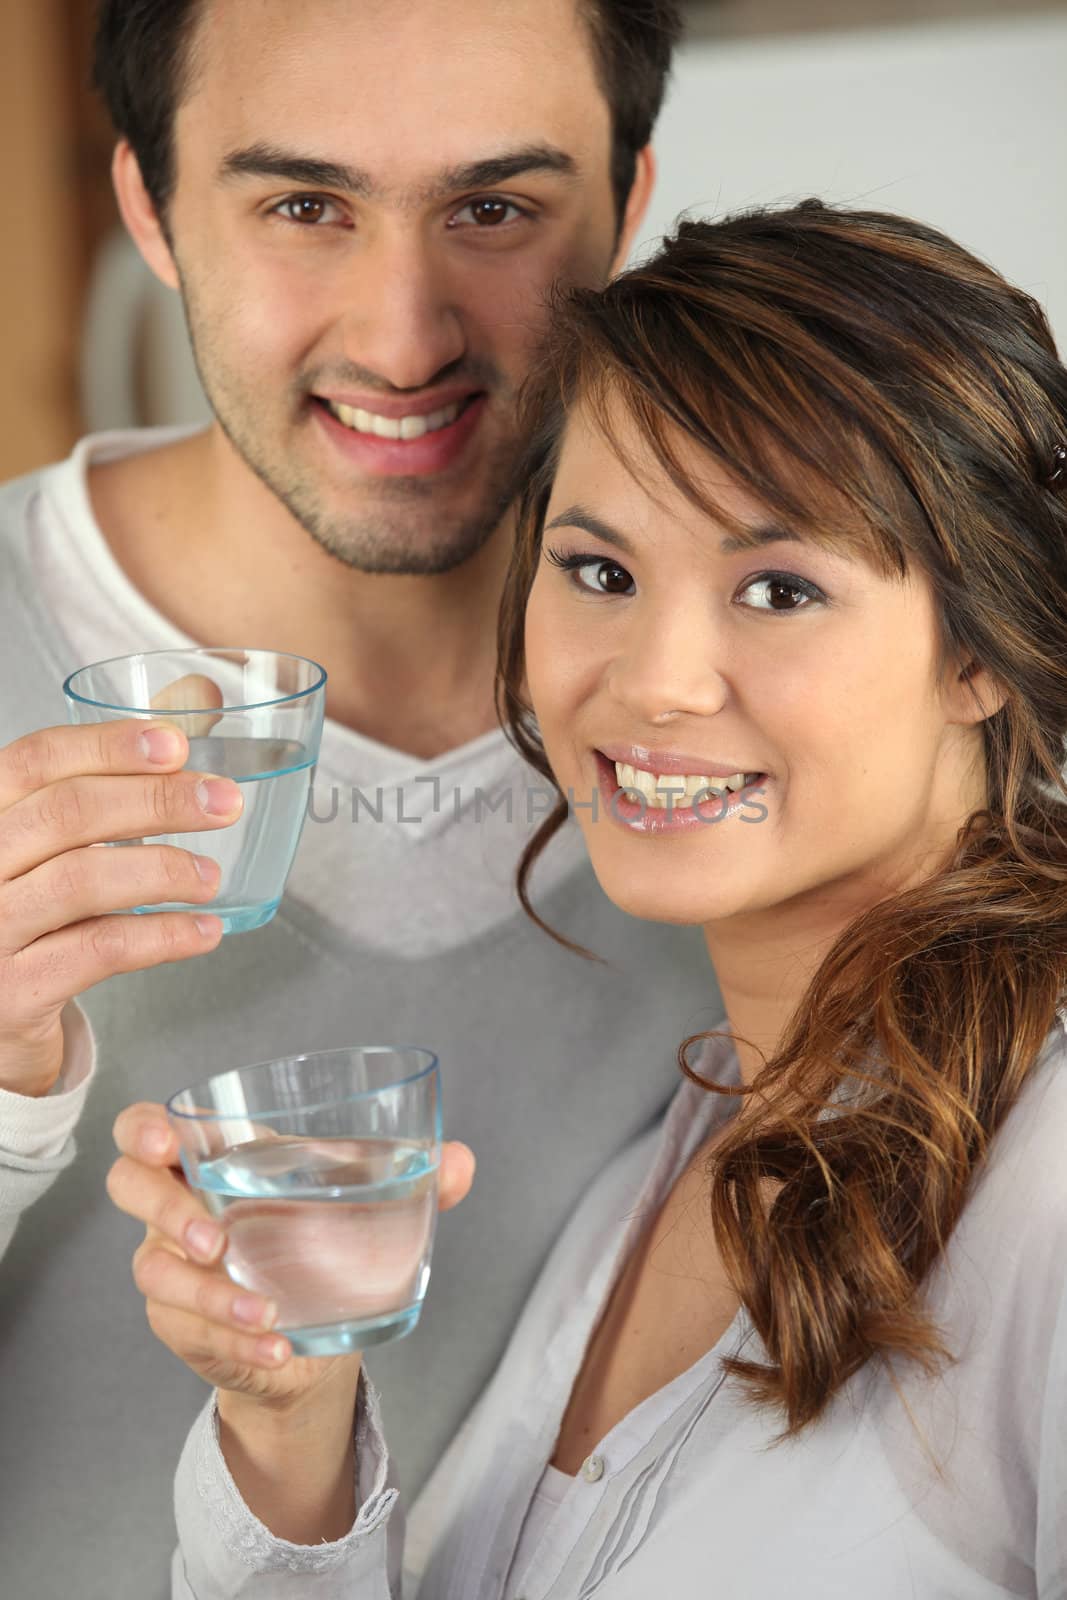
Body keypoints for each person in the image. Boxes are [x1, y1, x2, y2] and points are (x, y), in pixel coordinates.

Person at [116, 199, 1067, 1596]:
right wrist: (291, 1424)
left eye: (780, 588)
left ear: (982, 652)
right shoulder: (675, 1148)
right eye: (600, 570)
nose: (652, 679)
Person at [0, 4, 721, 1595]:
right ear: (149, 207)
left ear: (632, 199)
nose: (406, 339)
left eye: (496, 210)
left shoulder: (770, 737)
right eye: (303, 206)